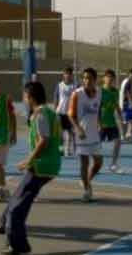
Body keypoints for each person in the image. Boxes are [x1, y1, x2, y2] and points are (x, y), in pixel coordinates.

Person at [0, 80, 62, 255]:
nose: (23, 99)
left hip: (41, 165)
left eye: (24, 96)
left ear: (31, 98)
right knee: (17, 196)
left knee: (18, 206)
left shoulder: (39, 115)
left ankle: (18, 244)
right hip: (49, 164)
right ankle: (3, 222)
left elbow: (44, 140)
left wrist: (28, 160)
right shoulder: (49, 112)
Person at [69, 67, 103, 201]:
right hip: (81, 134)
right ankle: (87, 190)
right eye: (84, 78)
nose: (86, 80)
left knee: (99, 162)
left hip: (94, 134)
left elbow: (98, 109)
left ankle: (86, 180)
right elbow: (70, 115)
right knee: (84, 163)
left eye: (89, 78)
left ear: (95, 80)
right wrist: (78, 129)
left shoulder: (99, 92)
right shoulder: (77, 94)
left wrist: (99, 123)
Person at [100, 69, 124, 173]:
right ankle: (95, 164)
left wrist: (121, 118)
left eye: (111, 77)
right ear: (104, 79)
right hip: (101, 123)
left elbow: (116, 106)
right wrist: (97, 123)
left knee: (118, 141)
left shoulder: (115, 92)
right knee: (96, 146)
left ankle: (113, 164)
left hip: (111, 122)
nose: (109, 79)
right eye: (107, 77)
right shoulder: (100, 91)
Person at [53, 66, 77, 157]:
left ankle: (69, 149)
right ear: (63, 75)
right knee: (60, 132)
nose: (67, 75)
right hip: (60, 112)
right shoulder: (59, 85)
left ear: (71, 75)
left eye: (69, 74)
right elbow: (56, 98)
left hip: (70, 113)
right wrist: (55, 110)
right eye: (66, 73)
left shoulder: (75, 86)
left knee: (71, 132)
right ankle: (61, 149)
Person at [119, 68, 132, 142]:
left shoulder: (128, 81)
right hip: (126, 104)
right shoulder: (128, 82)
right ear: (129, 74)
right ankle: (123, 136)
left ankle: (128, 135)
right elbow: (127, 93)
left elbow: (130, 93)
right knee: (126, 121)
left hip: (127, 103)